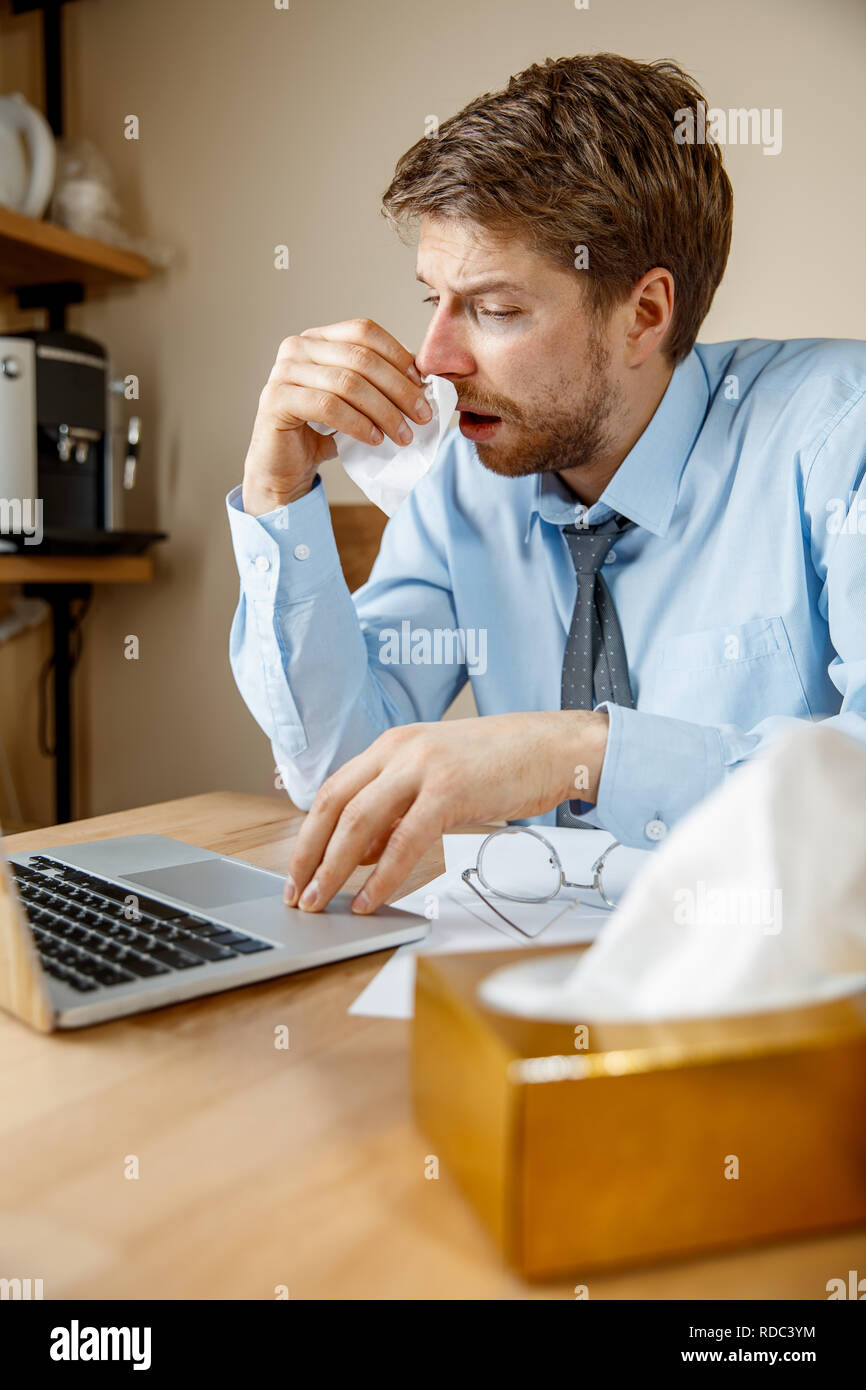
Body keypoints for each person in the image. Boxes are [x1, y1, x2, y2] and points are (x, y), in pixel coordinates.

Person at [225, 53, 866, 918]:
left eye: (494, 310)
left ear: (644, 314)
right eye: (433, 301)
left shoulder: (838, 438)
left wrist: (578, 752)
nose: (435, 360)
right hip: (529, 984)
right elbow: (342, 774)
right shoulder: (468, 476)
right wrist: (279, 492)